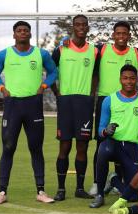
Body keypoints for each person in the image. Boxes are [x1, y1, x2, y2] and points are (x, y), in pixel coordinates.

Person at [0, 21, 57, 204]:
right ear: (14, 35)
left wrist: (43, 86)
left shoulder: (41, 54)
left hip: (33, 104)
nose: (22, 33)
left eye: (25, 31)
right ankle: (2, 192)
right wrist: (2, 88)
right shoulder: (4, 54)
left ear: (30, 35)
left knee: (36, 147)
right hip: (12, 105)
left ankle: (41, 191)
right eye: (19, 31)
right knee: (8, 147)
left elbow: (53, 72)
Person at [88, 21, 138, 197]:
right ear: (113, 35)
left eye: (124, 33)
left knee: (124, 141)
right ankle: (98, 183)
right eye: (118, 33)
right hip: (106, 99)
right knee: (102, 142)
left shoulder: (136, 52)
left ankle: (116, 181)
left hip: (128, 101)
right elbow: (80, 46)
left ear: (129, 36)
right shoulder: (102, 50)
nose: (121, 36)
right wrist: (66, 40)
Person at [89, 65, 138, 208]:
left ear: (136, 79)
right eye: (125, 78)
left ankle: (113, 180)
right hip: (113, 144)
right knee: (102, 150)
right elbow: (100, 129)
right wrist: (106, 131)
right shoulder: (109, 100)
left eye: (131, 78)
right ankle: (99, 195)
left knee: (133, 197)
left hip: (131, 148)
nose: (128, 81)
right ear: (120, 79)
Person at [51, 14, 98, 201]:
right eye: (77, 24)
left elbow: (96, 74)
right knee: (64, 145)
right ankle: (61, 189)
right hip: (66, 102)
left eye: (83, 25)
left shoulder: (94, 51)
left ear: (87, 28)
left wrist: (92, 93)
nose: (80, 27)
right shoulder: (61, 49)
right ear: (72, 27)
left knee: (82, 146)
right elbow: (49, 70)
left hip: (84, 103)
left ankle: (79, 188)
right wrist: (56, 93)